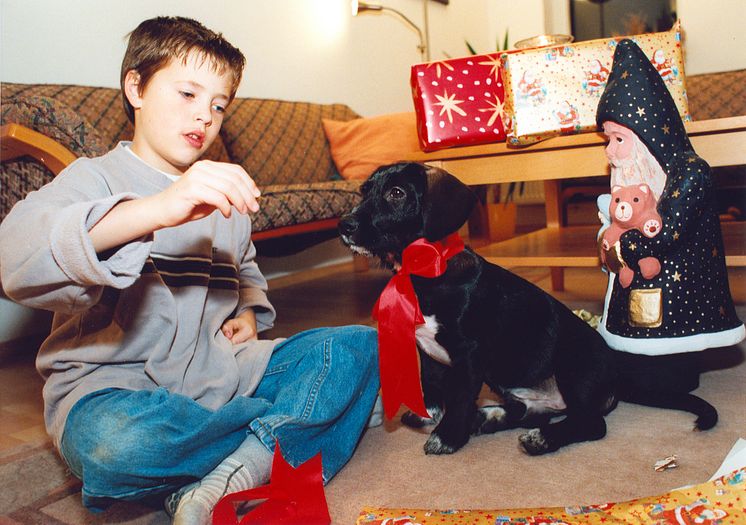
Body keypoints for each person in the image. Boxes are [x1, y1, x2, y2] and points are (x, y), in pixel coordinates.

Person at [0, 16, 380, 525]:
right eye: (187, 94)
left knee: (360, 347)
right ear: (136, 86)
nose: (204, 116)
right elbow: (14, 258)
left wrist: (247, 310)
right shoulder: (93, 177)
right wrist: (159, 208)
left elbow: (245, 270)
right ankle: (291, 430)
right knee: (111, 448)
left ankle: (228, 471)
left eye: (218, 105)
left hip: (220, 371)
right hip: (115, 390)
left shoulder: (224, 193)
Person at [594, 39, 744, 428]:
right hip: (637, 300)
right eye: (607, 140)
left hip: (682, 303)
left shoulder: (689, 171)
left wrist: (619, 241)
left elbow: (665, 234)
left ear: (645, 135)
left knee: (667, 367)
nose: (610, 151)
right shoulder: (634, 183)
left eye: (618, 139)